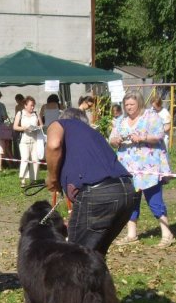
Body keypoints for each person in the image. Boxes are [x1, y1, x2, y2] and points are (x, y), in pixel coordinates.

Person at [45, 108, 139, 255]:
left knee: (76, 257)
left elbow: (53, 145)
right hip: (126, 191)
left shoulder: (60, 123)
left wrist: (52, 178)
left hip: (97, 192)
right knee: (95, 257)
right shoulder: (93, 134)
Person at [109, 90, 175, 248]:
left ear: (139, 103)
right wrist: (115, 140)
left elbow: (159, 135)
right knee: (132, 201)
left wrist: (142, 138)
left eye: (132, 104)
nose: (129, 107)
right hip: (128, 168)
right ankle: (132, 234)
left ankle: (167, 234)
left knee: (154, 200)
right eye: (126, 105)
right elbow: (111, 139)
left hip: (148, 167)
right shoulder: (121, 120)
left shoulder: (150, 117)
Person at [13, 96, 43, 187]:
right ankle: (23, 180)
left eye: (33, 105)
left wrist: (38, 127)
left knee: (35, 160)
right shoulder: (20, 113)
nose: (32, 107)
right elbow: (15, 127)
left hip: (35, 140)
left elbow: (41, 125)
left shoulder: (36, 114)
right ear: (25, 105)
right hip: (24, 140)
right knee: (25, 158)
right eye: (31, 105)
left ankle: (33, 180)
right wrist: (24, 128)